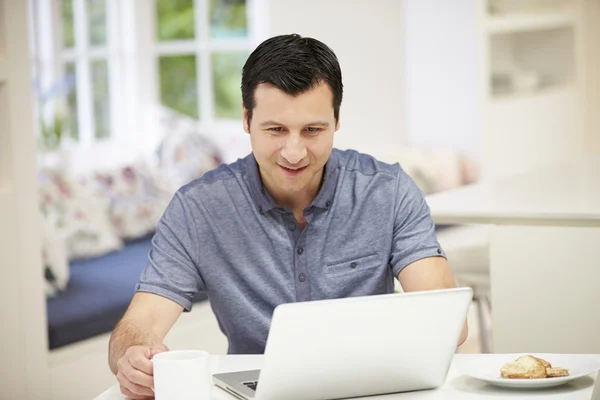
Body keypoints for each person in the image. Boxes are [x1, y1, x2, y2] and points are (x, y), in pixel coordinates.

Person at [108, 33, 468, 399]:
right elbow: (138, 326)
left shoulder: (388, 191)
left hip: (373, 390)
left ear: (337, 120)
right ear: (247, 120)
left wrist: (434, 329)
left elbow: (445, 320)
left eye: (312, 130)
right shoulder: (197, 209)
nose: (294, 153)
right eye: (276, 130)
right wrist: (133, 355)